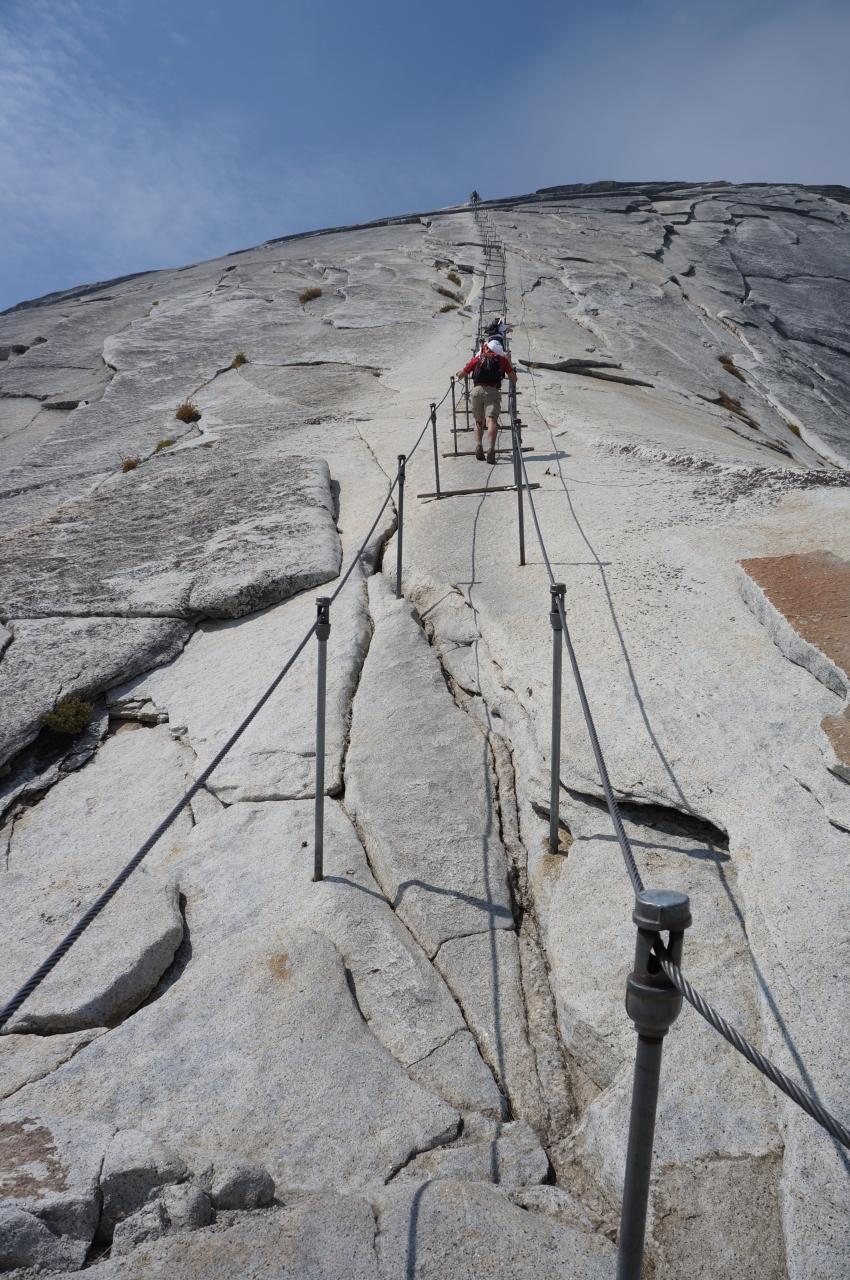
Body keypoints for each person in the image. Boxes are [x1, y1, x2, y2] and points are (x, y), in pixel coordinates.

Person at [456, 339, 517, 465]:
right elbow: (514, 379)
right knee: (491, 421)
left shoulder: (478, 358)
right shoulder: (502, 360)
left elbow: (461, 375)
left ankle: (479, 446)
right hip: (493, 391)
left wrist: (458, 373)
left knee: (479, 421)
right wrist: (508, 363)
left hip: (477, 391)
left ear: (487, 348)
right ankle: (491, 449)